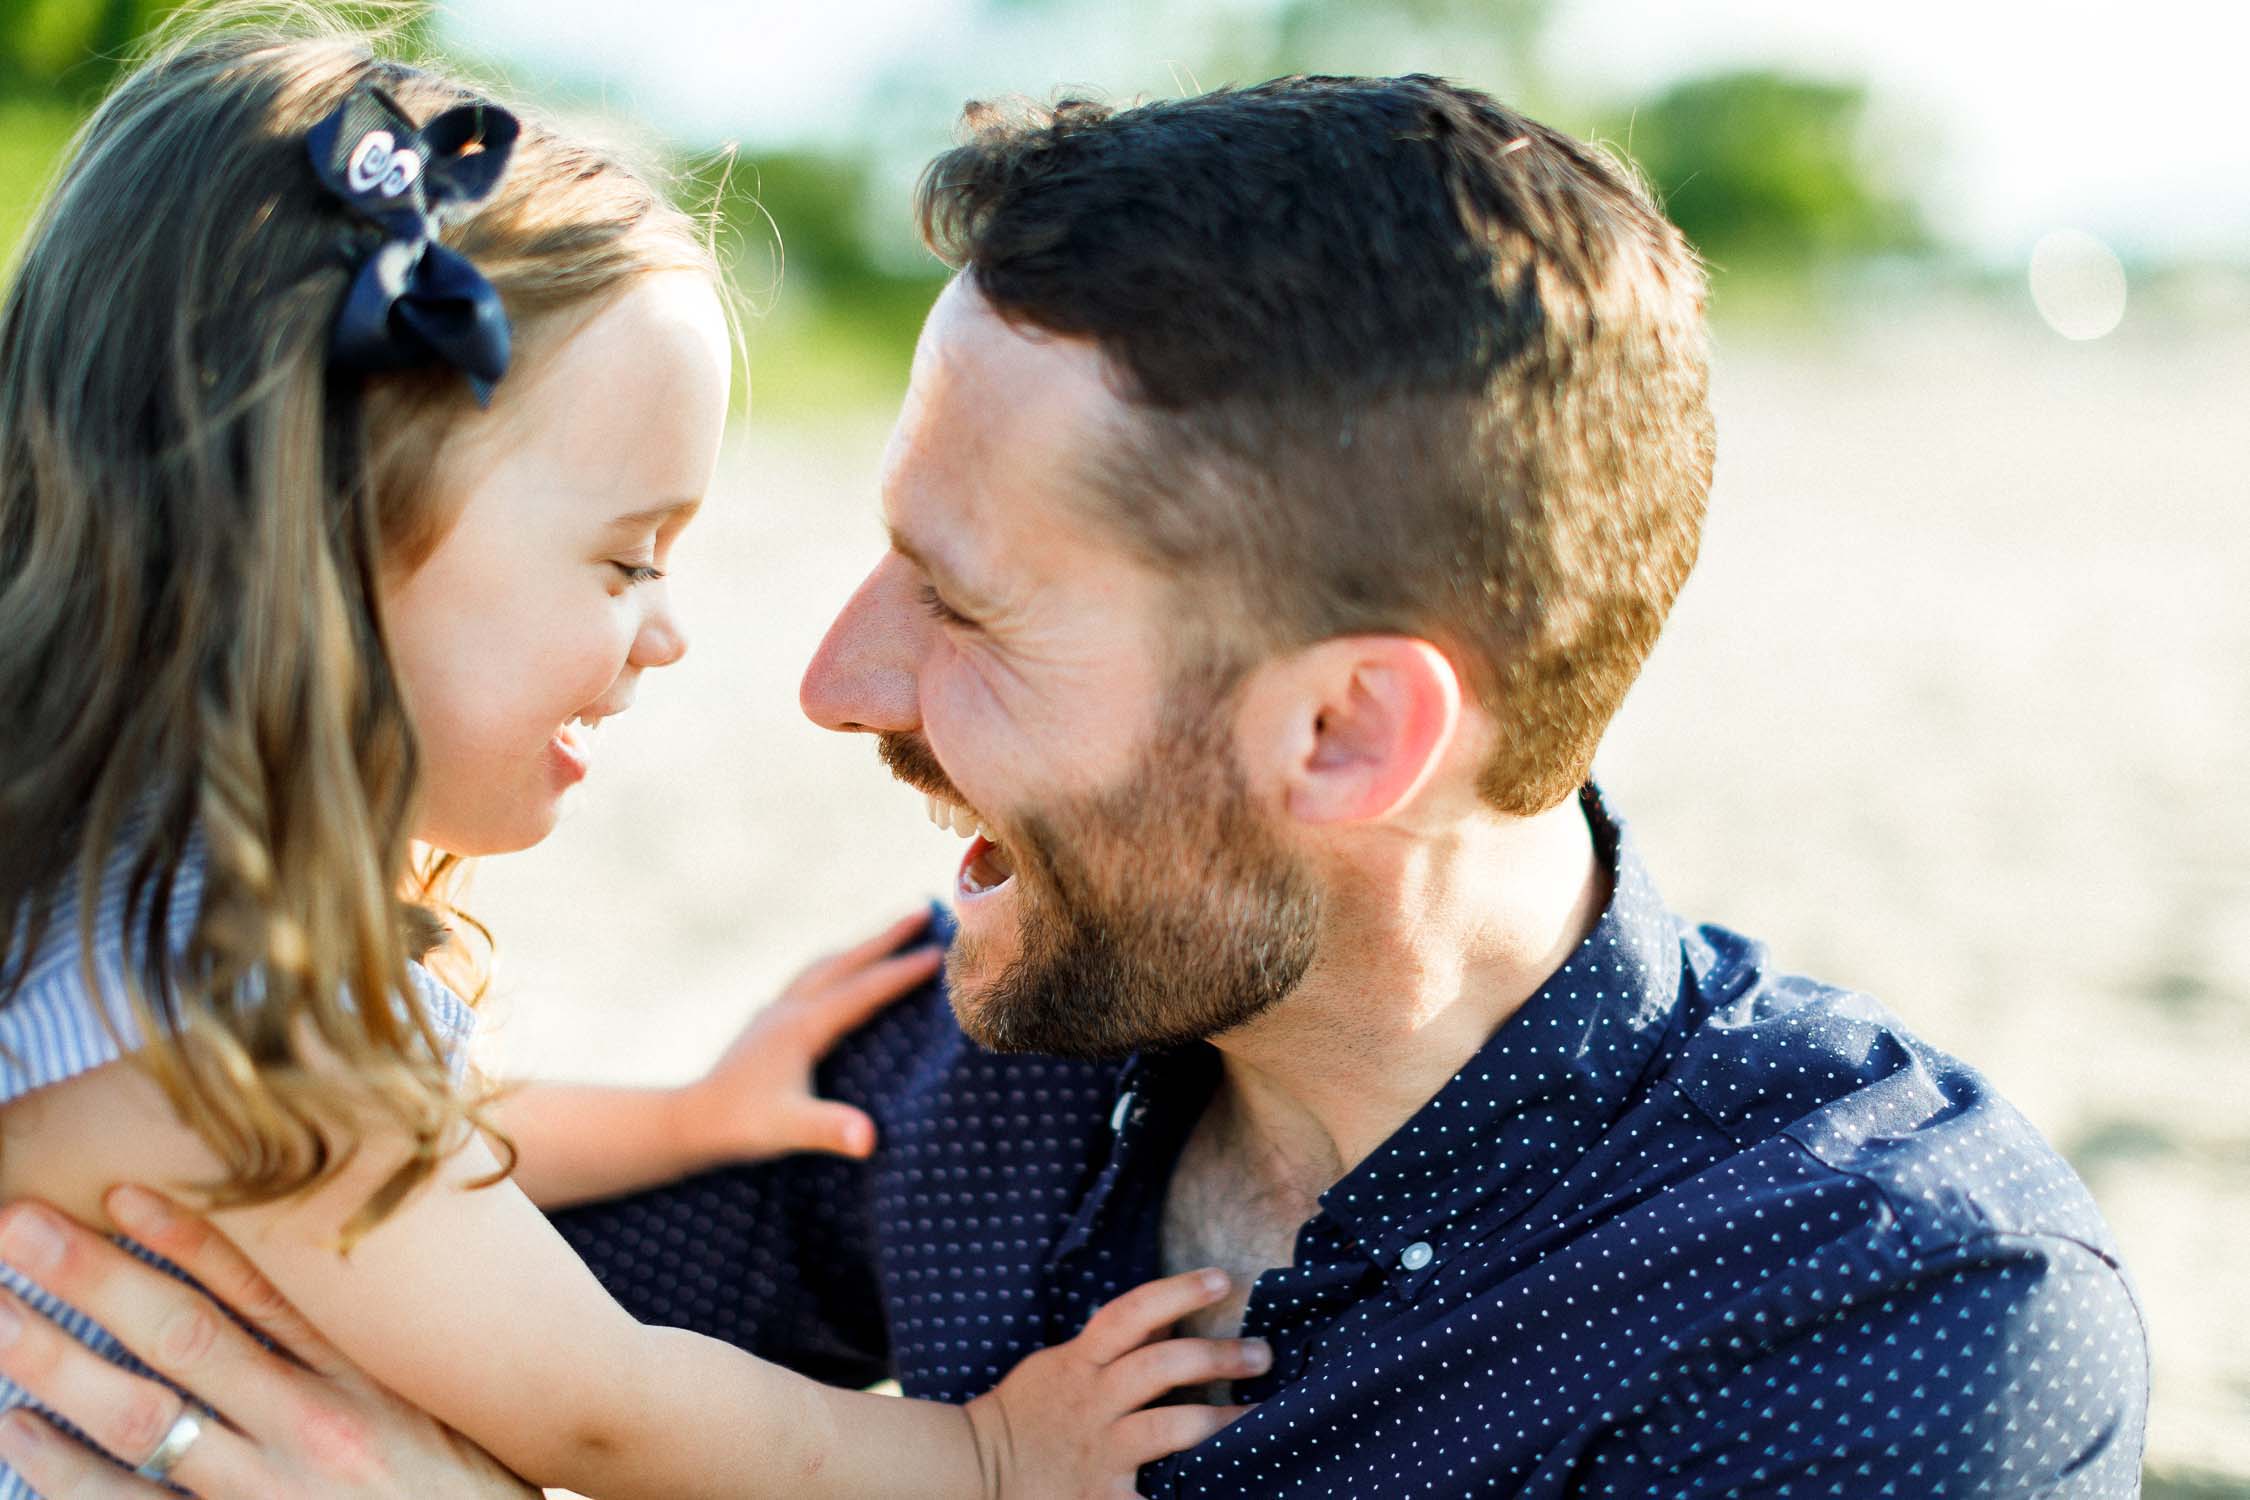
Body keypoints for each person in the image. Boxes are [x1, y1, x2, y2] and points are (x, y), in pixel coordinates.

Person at [0, 73, 2152, 1498]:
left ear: (1349, 733)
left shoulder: (1883, 1326)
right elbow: (504, 1342)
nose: (833, 684)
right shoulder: (965, 1069)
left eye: (965, 604)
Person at [0, 11, 1266, 1499]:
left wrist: (676, 1122)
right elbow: (602, 1404)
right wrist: (985, 1456)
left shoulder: (137, 919)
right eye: (623, 563)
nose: (665, 635)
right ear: (318, 551)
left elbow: (418, 1148)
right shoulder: (235, 1021)